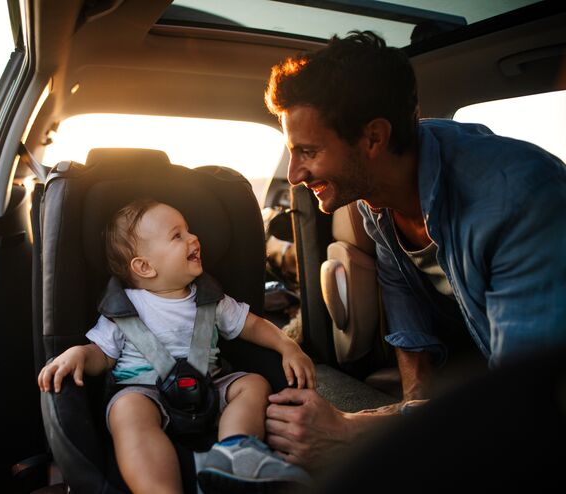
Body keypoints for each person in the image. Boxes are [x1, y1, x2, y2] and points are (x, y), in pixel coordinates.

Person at [261, 30, 566, 470]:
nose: (293, 175)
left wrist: (353, 433)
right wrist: (413, 406)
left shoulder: (518, 198)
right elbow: (403, 301)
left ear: (373, 138)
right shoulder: (374, 198)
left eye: (307, 151)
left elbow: (524, 404)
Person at [38, 199, 316, 493]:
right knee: (126, 411)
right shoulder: (124, 308)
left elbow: (253, 325)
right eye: (177, 235)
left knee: (254, 385)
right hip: (145, 391)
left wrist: (287, 346)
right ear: (144, 267)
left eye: (188, 230)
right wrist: (77, 354)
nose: (193, 238)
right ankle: (160, 488)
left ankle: (235, 452)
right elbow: (102, 354)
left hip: (210, 386)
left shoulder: (211, 298)